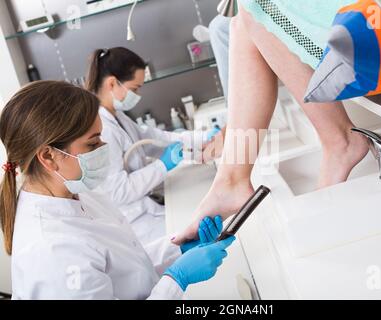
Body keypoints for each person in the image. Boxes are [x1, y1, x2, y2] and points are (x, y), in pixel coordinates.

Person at [0, 81, 234, 299]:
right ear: (49, 157)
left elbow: (127, 267)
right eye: (92, 143)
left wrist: (179, 249)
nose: (104, 148)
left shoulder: (76, 192)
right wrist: (176, 280)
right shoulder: (52, 252)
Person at [173, 1, 370, 245]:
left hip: (379, 23)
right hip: (360, 22)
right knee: (241, 20)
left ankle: (339, 139)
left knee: (253, 11)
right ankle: (231, 179)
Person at [85, 47, 222, 244]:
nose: (138, 95)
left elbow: (151, 139)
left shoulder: (117, 116)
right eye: (134, 89)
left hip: (146, 207)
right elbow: (118, 191)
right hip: (135, 221)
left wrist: (200, 138)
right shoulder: (103, 129)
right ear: (112, 83)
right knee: (192, 233)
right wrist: (163, 165)